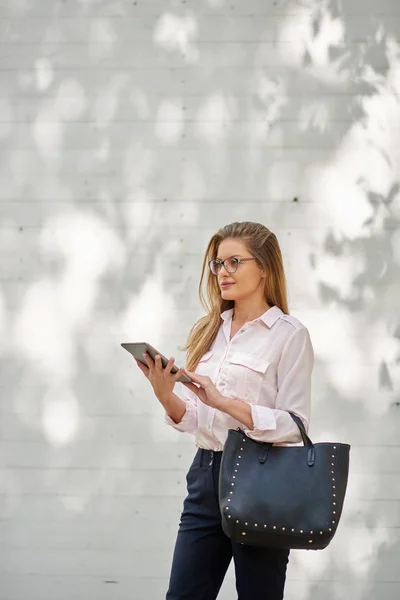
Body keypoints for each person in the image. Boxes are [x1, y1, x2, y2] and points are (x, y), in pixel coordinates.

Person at [134, 221, 314, 600]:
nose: (222, 273)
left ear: (263, 267)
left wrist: (223, 401)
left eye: (234, 262)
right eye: (217, 264)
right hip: (204, 477)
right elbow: (200, 418)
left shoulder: (289, 334)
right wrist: (164, 392)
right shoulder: (210, 330)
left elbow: (295, 425)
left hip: (260, 479)